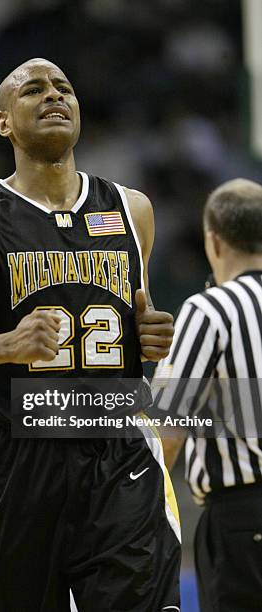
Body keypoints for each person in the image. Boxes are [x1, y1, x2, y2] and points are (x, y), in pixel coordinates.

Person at [0, 58, 181, 612]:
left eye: (64, 88)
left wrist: (148, 335)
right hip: (19, 456)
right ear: (4, 122)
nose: (54, 96)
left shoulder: (132, 210)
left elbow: (137, 317)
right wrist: (3, 345)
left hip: (120, 450)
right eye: (34, 90)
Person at [153, 178, 262, 611]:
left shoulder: (210, 309)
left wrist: (131, 514)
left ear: (213, 242)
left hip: (243, 519)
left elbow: (169, 427)